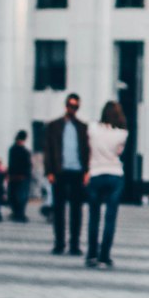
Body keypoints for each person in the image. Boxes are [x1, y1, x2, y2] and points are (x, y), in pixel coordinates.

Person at [44, 93, 89, 255]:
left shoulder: (82, 127)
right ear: (66, 106)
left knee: (76, 210)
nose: (73, 109)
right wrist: (49, 171)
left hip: (77, 172)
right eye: (71, 105)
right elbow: (48, 150)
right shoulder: (54, 125)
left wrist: (87, 171)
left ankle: (74, 244)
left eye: (76, 106)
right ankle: (59, 243)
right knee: (58, 209)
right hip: (59, 172)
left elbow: (86, 151)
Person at [84, 101, 128, 267]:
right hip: (114, 174)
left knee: (93, 216)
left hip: (95, 173)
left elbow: (88, 147)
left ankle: (91, 254)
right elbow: (119, 152)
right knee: (110, 218)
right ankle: (104, 256)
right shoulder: (122, 133)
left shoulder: (92, 128)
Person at [7, 130, 33, 222]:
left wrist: (10, 175)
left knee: (14, 196)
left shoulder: (12, 149)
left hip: (14, 176)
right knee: (22, 196)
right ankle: (20, 214)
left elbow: (11, 164)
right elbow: (28, 165)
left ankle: (17, 213)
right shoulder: (25, 151)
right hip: (23, 177)